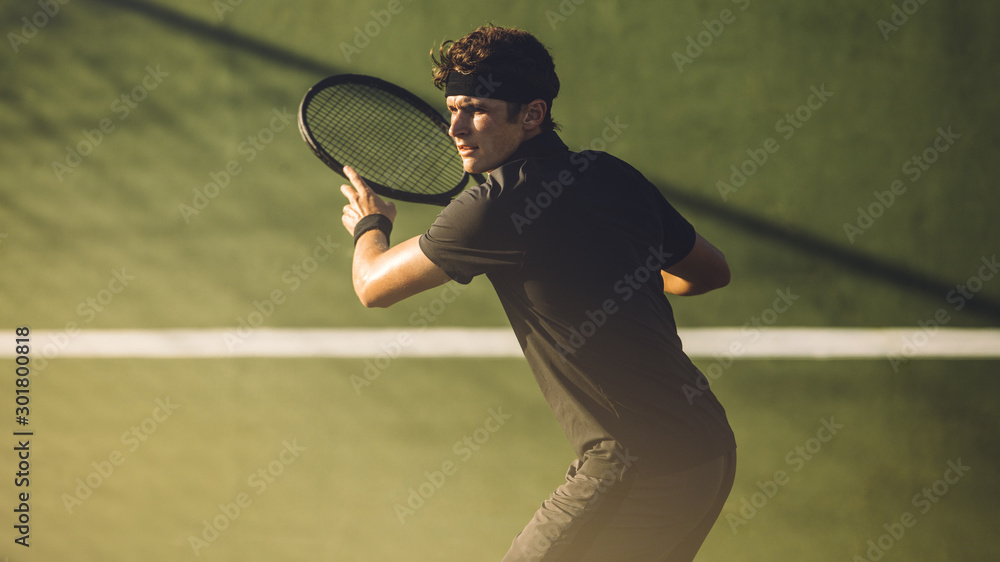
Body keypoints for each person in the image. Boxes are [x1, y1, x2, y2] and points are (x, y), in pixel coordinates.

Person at [339, 24, 736, 562]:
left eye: (476, 108)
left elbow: (372, 286)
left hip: (636, 465)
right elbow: (710, 272)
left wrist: (371, 225)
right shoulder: (614, 175)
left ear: (532, 115)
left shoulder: (491, 208)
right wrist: (615, 271)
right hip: (708, 448)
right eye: (452, 107)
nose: (455, 127)